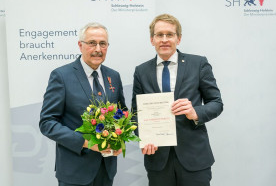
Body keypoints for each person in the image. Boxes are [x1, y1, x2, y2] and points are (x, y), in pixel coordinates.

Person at [131, 14, 223, 186]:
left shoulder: (198, 64)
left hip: (194, 158)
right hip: (158, 160)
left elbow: (216, 103)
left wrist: (196, 112)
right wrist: (143, 136)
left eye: (170, 34)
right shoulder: (141, 71)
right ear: (152, 39)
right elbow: (135, 114)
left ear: (178, 38)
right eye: (159, 35)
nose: (164, 40)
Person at [40, 22, 126, 186]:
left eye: (103, 44)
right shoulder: (61, 76)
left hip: (106, 170)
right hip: (74, 171)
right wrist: (86, 143)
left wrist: (120, 139)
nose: (98, 49)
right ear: (80, 45)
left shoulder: (113, 76)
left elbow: (122, 114)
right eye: (92, 43)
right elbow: (47, 123)